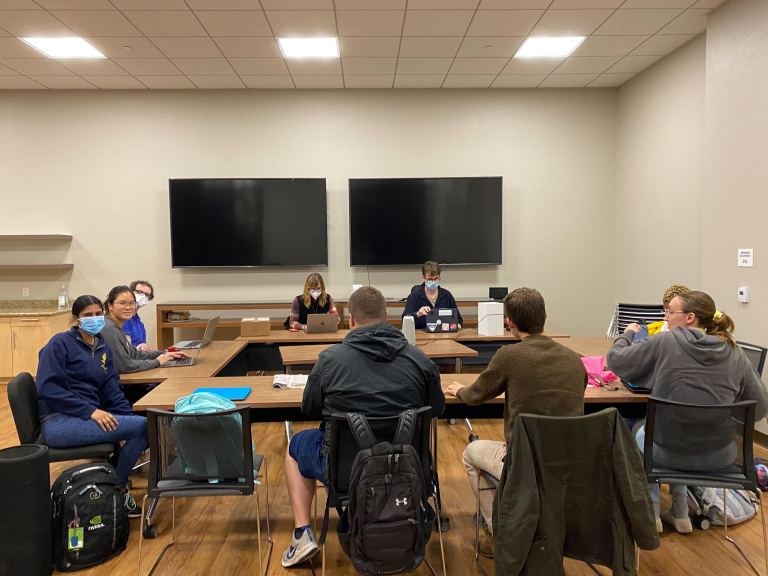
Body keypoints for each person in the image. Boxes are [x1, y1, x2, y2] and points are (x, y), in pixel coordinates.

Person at [281, 286, 445, 568]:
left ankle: (302, 534)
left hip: (344, 471)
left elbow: (308, 409)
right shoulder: (421, 362)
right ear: (387, 316)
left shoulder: (329, 361)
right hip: (408, 466)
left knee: (295, 448)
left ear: (351, 320)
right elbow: (437, 410)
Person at [607, 290, 768, 534]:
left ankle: (651, 511)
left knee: (640, 428)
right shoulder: (734, 352)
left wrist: (627, 334)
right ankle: (679, 510)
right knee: (680, 430)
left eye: (670, 312)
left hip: (667, 451)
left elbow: (617, 360)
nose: (666, 317)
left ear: (690, 317)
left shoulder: (666, 342)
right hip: (720, 457)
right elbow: (759, 408)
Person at [444, 287, 587, 553]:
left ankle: (499, 533)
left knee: (470, 453)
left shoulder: (509, 356)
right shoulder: (574, 360)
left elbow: (477, 395)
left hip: (523, 464)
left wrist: (458, 390)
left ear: (509, 321)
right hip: (569, 466)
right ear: (544, 317)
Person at [35, 295, 148, 517]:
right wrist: (91, 411)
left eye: (98, 314)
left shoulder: (101, 346)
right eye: (88, 315)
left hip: (89, 417)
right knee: (144, 425)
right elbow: (48, 388)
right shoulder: (59, 344)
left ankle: (109, 486)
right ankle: (118, 489)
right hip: (60, 421)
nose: (94, 319)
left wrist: (126, 420)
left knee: (143, 424)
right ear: (76, 318)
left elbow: (111, 389)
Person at [101, 285, 185, 373]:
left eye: (132, 303)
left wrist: (164, 353)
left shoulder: (117, 326)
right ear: (110, 305)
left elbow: (134, 354)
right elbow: (125, 366)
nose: (128, 307)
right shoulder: (109, 328)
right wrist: (157, 362)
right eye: (122, 303)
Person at [402, 261, 463, 329]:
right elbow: (405, 320)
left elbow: (458, 319)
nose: (433, 282)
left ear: (439, 277)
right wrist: (418, 314)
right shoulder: (414, 296)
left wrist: (457, 325)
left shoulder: (446, 295)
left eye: (436, 279)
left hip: (443, 335)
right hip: (421, 335)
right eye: (430, 279)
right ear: (424, 278)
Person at [123, 279, 154, 351]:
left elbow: (145, 347)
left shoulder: (139, 323)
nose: (143, 296)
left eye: (147, 295)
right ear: (130, 292)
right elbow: (127, 352)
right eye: (139, 292)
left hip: (141, 359)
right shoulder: (124, 318)